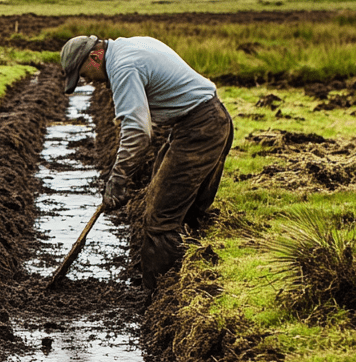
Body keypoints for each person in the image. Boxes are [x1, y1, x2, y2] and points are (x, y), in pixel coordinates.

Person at [59, 34, 234, 294]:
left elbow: (138, 131)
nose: (87, 81)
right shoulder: (129, 47)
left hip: (201, 128)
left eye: (83, 74)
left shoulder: (123, 66)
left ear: (95, 57)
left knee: (160, 218)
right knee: (182, 208)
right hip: (204, 121)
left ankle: (159, 297)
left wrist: (118, 178)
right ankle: (188, 278)